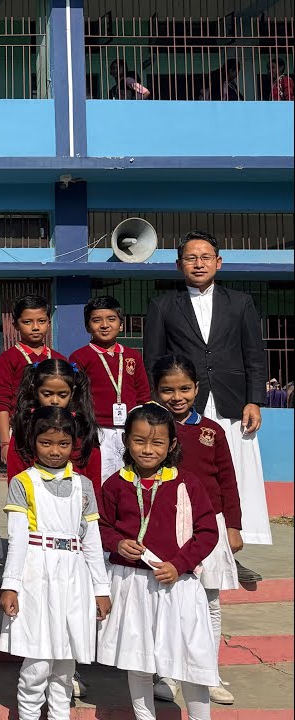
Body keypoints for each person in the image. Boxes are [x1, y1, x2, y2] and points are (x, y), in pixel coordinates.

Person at [143, 230, 271, 568]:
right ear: (178, 264)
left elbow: (255, 355)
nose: (198, 264)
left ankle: (232, 539)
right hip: (182, 405)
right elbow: (153, 358)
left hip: (232, 403)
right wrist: (157, 401)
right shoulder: (163, 305)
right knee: (182, 468)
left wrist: (254, 399)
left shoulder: (241, 303)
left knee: (232, 472)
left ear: (218, 262)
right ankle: (182, 539)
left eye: (205, 257)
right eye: (191, 258)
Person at [97, 403, 220, 720]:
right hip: (132, 584)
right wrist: (117, 543)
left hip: (177, 584)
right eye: (139, 441)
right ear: (126, 441)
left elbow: (207, 532)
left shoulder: (187, 483)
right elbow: (100, 527)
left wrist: (179, 564)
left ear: (172, 445)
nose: (147, 450)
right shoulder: (114, 484)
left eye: (157, 442)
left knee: (192, 660)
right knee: (137, 659)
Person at [0, 406, 111, 720]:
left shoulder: (83, 485)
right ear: (33, 442)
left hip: (74, 577)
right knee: (37, 664)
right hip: (36, 574)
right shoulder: (24, 483)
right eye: (46, 443)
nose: (54, 450)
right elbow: (19, 540)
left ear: (73, 444)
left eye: (63, 444)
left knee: (65, 664)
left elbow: (91, 542)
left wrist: (100, 589)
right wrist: (11, 586)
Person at [154, 354, 244, 705]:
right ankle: (168, 675)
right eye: (167, 390)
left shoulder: (212, 431)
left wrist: (233, 526)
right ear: (156, 390)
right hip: (166, 524)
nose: (177, 397)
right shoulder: (151, 427)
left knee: (209, 601)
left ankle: (209, 673)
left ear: (196, 388)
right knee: (168, 601)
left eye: (184, 389)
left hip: (210, 526)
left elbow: (228, 480)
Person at [70, 295, 150, 481]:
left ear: (121, 324)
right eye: (97, 320)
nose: (104, 325)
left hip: (129, 429)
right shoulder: (80, 357)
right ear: (88, 327)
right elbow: (76, 397)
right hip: (96, 429)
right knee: (100, 476)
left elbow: (143, 394)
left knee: (130, 475)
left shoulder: (132, 356)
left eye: (111, 319)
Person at [7, 359, 102, 494]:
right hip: (34, 502)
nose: (55, 401)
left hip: (75, 503)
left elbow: (93, 476)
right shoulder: (25, 425)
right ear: (35, 389)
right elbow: (15, 473)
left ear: (73, 392)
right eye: (47, 394)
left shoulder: (82, 426)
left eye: (62, 395)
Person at [0, 294, 66, 463]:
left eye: (41, 321)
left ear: (49, 322)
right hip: (21, 430)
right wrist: (5, 442)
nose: (35, 327)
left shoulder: (58, 359)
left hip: (55, 429)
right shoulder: (8, 358)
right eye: (27, 322)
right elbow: (2, 400)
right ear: (15, 325)